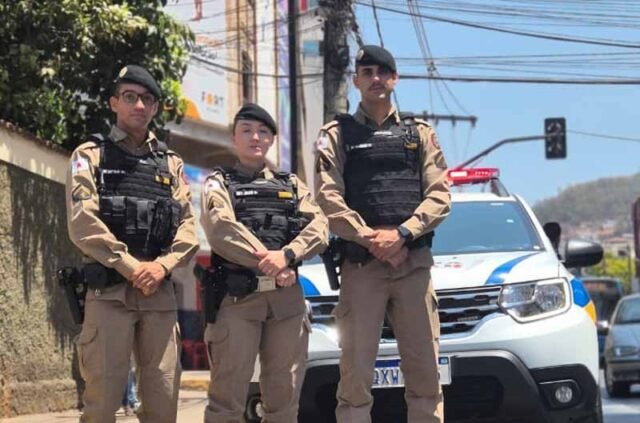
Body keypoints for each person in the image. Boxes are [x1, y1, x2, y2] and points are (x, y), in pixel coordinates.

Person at [314, 45, 451, 423]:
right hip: (362, 269)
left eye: (383, 72)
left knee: (426, 376)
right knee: (355, 379)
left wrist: (402, 234)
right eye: (367, 72)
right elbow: (327, 196)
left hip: (412, 266)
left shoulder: (419, 133)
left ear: (395, 79)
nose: (375, 78)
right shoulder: (336, 134)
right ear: (356, 80)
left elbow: (440, 195)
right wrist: (371, 239)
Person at [66, 64, 199, 423]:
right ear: (114, 103)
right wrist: (132, 267)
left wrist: (162, 266)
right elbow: (83, 223)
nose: (138, 104)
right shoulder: (89, 155)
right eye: (129, 97)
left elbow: (188, 227)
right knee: (101, 406)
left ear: (154, 107)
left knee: (163, 405)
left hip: (159, 295)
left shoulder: (170, 163)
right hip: (110, 294)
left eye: (147, 99)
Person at [200, 103, 329, 422]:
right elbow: (221, 230)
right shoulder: (219, 182)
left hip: (286, 302)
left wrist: (287, 255)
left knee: (284, 400)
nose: (254, 137)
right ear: (233, 138)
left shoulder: (291, 184)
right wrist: (271, 263)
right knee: (226, 399)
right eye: (246, 131)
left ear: (272, 139)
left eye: (262, 132)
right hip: (237, 300)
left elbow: (320, 227)